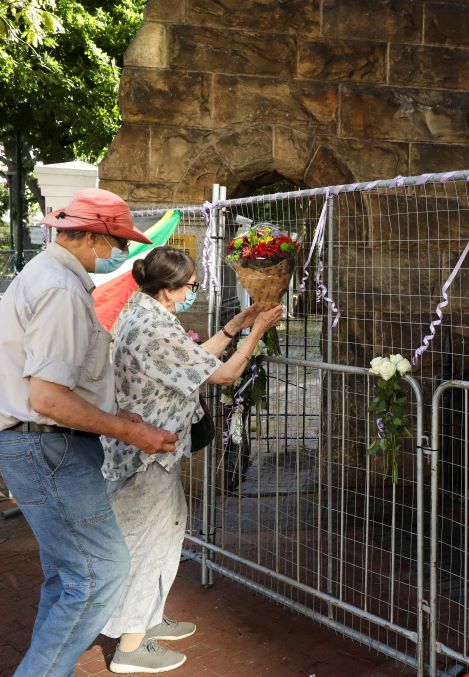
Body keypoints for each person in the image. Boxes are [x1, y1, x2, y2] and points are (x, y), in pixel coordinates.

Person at [0, 188, 178, 677]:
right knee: (102, 573)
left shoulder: (47, 276)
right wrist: (128, 430)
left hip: (39, 444)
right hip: (47, 444)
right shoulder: (59, 286)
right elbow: (49, 399)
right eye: (116, 244)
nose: (120, 255)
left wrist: (117, 414)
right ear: (93, 236)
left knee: (68, 578)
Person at [99, 246, 283, 674]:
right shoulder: (152, 326)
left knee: (167, 534)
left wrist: (236, 325)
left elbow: (195, 360)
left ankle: (149, 620)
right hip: (145, 458)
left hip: (154, 450)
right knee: (146, 545)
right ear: (167, 289)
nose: (194, 293)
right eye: (191, 287)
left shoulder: (146, 311)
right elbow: (221, 374)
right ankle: (131, 646)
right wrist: (257, 333)